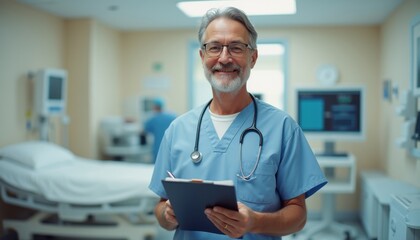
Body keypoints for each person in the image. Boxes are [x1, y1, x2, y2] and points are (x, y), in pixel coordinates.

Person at [148, 6, 327, 240]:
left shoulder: (283, 128)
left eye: (236, 47)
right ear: (203, 57)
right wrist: (167, 214)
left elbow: (298, 215)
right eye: (214, 47)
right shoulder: (178, 130)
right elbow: (161, 208)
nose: (224, 58)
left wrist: (255, 221)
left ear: (252, 57)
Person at [144, 98, 176, 163]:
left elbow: (145, 129)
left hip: (158, 148)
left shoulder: (153, 119)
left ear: (154, 107)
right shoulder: (172, 117)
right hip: (171, 148)